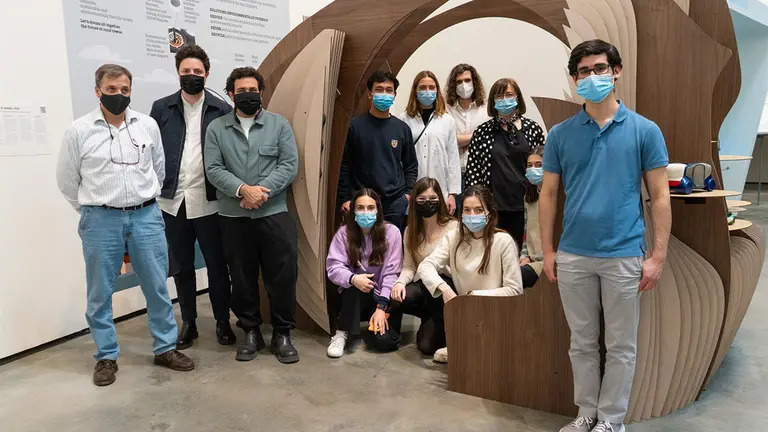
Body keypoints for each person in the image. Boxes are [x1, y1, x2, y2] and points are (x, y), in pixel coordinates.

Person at [540, 40, 671, 432]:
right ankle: (585, 414)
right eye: (583, 71)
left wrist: (658, 255)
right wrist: (548, 250)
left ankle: (612, 420)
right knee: (580, 343)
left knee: (620, 346)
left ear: (616, 72)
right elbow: (548, 194)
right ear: (574, 78)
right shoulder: (561, 135)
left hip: (624, 254)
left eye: (600, 68)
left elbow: (661, 197)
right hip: (574, 254)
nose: (592, 76)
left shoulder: (645, 130)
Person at [56, 64, 195, 387]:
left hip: (146, 217)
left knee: (157, 286)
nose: (118, 95)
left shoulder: (146, 125)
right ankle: (106, 355)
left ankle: (165, 347)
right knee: (100, 291)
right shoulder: (78, 131)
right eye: (111, 89)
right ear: (97, 90)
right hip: (100, 219)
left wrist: (143, 203)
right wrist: (94, 209)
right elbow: (67, 181)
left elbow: (158, 171)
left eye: (124, 90)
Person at [204, 67, 300, 364]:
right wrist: (243, 190)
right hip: (233, 216)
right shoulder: (217, 128)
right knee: (242, 278)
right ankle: (250, 332)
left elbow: (289, 165)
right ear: (231, 95)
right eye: (241, 91)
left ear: (262, 93)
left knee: (282, 276)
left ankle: (282, 334)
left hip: (274, 212)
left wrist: (261, 192)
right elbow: (214, 169)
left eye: (253, 90)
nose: (248, 95)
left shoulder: (279, 125)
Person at [149, 44, 235, 350]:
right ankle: (189, 323)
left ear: (207, 74)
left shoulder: (221, 108)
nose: (192, 76)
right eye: (186, 71)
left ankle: (223, 322)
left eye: (197, 72)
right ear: (178, 73)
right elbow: (153, 152)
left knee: (216, 265)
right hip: (173, 202)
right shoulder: (161, 108)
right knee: (181, 267)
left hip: (210, 200)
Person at [417, 185, 523, 363]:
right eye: (467, 210)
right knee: (427, 345)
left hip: (495, 311)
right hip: (463, 311)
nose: (472, 215)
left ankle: (469, 344)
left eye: (478, 210)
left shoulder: (503, 241)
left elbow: (515, 289)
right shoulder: (454, 237)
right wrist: (445, 290)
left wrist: (475, 296)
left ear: (489, 213)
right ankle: (459, 340)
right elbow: (425, 266)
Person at [465, 78, 545, 248]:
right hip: (494, 208)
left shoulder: (532, 128)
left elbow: (543, 164)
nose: (504, 99)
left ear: (517, 97)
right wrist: (478, 206)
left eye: (509, 94)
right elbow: (473, 171)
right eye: (499, 95)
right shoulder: (482, 132)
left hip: (527, 204)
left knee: (525, 255)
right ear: (493, 101)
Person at [326, 189, 404, 358]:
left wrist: (382, 307)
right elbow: (333, 267)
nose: (365, 212)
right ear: (353, 210)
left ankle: (374, 326)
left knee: (385, 343)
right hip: (355, 296)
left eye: (370, 207)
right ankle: (341, 332)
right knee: (352, 282)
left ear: (378, 210)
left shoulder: (392, 233)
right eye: (360, 208)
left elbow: (392, 273)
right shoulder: (343, 233)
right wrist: (353, 278)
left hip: (383, 295)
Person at [338, 71, 418, 230]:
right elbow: (345, 165)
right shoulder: (354, 126)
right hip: (362, 201)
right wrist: (345, 198)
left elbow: (411, 166)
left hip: (394, 202)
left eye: (389, 90)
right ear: (370, 94)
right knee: (361, 248)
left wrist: (407, 196)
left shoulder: (402, 129)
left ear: (395, 95)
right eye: (379, 89)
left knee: (391, 247)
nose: (385, 94)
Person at [389, 178, 458, 355]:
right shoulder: (410, 231)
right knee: (397, 297)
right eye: (422, 199)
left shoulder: (454, 227)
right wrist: (399, 283)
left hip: (447, 286)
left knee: (426, 346)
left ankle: (450, 329)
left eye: (433, 198)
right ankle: (389, 337)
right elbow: (409, 266)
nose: (428, 203)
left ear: (440, 200)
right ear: (414, 202)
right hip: (425, 288)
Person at [398, 71, 461, 214]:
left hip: (440, 189)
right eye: (423, 87)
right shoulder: (403, 120)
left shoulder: (447, 120)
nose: (427, 91)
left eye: (431, 87)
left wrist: (452, 194)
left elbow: (453, 158)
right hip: (412, 190)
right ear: (415, 90)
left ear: (437, 90)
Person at [445, 64, 490, 191]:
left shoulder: (486, 109)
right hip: (454, 171)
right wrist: (477, 135)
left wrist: (461, 139)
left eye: (467, 80)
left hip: (480, 170)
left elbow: (488, 139)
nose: (463, 85)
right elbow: (450, 140)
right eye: (459, 82)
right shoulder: (446, 110)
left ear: (474, 82)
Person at [520, 146, 545, 288]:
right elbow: (526, 234)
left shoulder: (560, 198)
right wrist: (524, 256)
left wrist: (531, 258)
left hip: (544, 261)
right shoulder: (529, 199)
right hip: (529, 260)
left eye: (538, 165)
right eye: (529, 166)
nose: (533, 169)